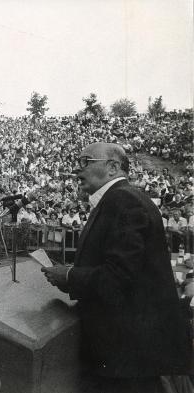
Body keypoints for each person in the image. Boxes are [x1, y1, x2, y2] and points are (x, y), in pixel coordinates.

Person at [41, 142, 191, 392]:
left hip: (128, 357)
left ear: (112, 167)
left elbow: (118, 277)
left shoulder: (124, 201)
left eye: (85, 162)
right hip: (124, 353)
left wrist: (68, 274)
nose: (77, 171)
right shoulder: (117, 200)